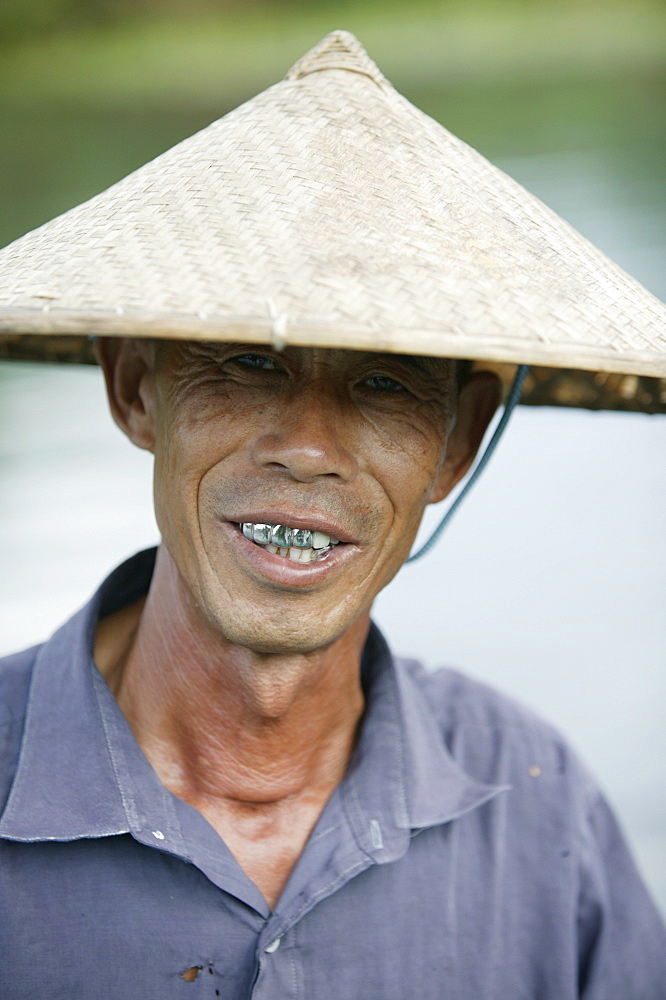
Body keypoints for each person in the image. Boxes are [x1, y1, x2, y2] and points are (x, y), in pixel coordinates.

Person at [0, 31, 665, 999]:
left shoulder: (538, 810)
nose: (308, 447)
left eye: (384, 383)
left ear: (455, 445)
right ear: (137, 387)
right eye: (251, 362)